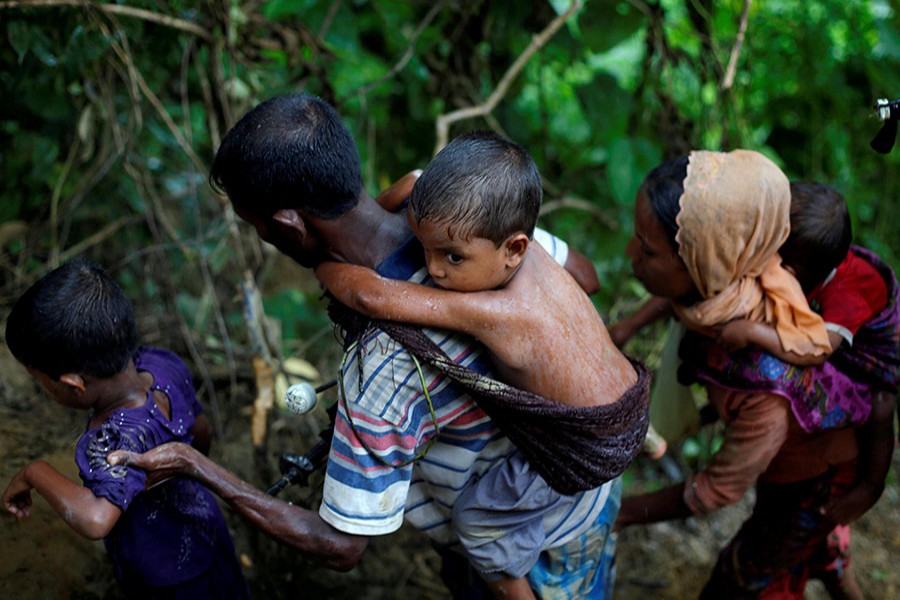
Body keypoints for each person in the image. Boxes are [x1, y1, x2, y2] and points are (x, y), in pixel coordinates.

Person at [108, 92, 627, 599]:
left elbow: (341, 546)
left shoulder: (384, 368)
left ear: (288, 227)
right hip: (588, 492)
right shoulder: (465, 212)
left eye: (259, 228)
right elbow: (585, 275)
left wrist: (195, 465)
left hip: (534, 548)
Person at [313, 130, 645, 598]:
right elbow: (414, 180)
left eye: (452, 256)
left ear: (514, 248)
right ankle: (650, 442)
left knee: (480, 520)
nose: (435, 269)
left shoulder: (501, 313)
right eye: (424, 247)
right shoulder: (532, 251)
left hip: (586, 448)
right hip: (627, 401)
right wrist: (376, 216)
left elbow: (371, 295)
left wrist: (320, 258)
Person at [613, 151, 899, 599]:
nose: (631, 252)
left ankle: (825, 533)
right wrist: (626, 327)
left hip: (814, 477)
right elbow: (680, 294)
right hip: (796, 457)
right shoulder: (735, 273)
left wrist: (622, 513)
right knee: (810, 546)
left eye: (647, 249)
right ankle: (828, 555)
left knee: (743, 578)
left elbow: (716, 489)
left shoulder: (769, 377)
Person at [1, 259, 249, 599]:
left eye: (42, 383)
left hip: (164, 577)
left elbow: (95, 519)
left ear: (74, 384)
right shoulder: (164, 365)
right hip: (206, 529)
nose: (44, 392)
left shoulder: (112, 439)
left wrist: (35, 472)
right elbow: (201, 431)